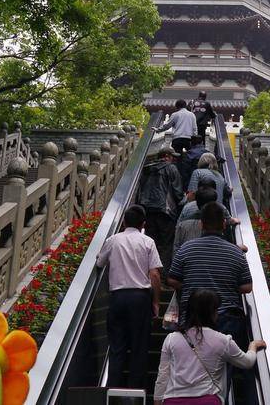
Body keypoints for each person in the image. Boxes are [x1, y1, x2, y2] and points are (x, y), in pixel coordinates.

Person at [168, 202, 255, 400]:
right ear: (224, 224)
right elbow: (247, 287)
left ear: (201, 224)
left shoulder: (186, 249)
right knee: (228, 373)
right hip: (227, 319)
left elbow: (172, 279)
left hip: (193, 319)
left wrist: (191, 282)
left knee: (190, 369)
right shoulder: (236, 252)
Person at [153, 289, 266, 405]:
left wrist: (157, 400)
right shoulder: (223, 340)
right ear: (212, 313)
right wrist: (253, 346)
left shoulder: (171, 339)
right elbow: (247, 362)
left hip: (173, 400)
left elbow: (163, 375)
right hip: (207, 400)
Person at [96, 204, 162, 391]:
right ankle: (134, 392)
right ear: (143, 224)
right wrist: (156, 302)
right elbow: (155, 275)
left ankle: (112, 390)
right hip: (140, 299)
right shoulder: (148, 241)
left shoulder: (113, 240)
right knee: (139, 348)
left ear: (124, 221)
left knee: (117, 348)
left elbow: (99, 262)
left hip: (117, 298)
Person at [137, 145, 185, 275]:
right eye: (172, 157)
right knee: (166, 244)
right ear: (166, 157)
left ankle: (148, 274)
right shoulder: (171, 168)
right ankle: (162, 276)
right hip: (165, 212)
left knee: (150, 243)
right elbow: (177, 192)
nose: (174, 160)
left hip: (147, 211)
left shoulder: (147, 169)